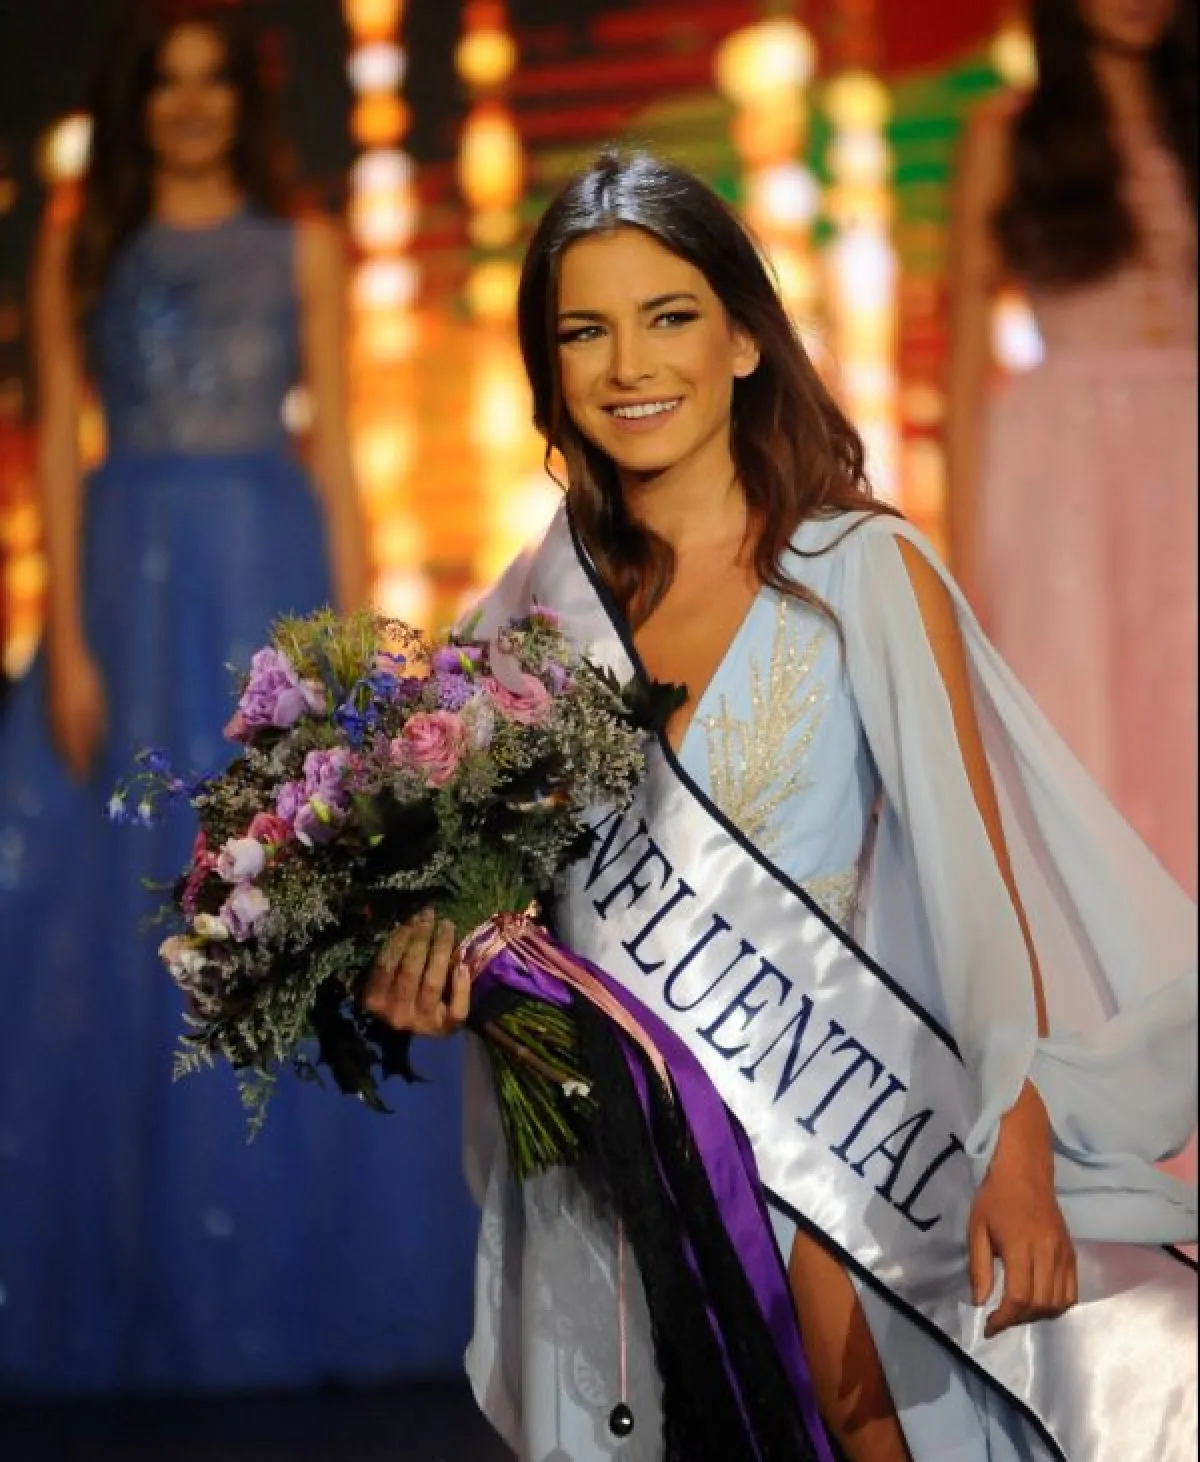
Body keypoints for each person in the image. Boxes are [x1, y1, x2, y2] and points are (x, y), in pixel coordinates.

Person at [364, 150, 1198, 1461]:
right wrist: (431, 956)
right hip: (624, 1174)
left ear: (745, 338)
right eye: (585, 331)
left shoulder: (858, 569)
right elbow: (489, 898)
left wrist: (1016, 1150)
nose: (629, 365)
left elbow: (975, 889)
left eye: (669, 316)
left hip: (840, 1148)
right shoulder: (528, 614)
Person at [0, 0, 476, 1392]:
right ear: (138, 102)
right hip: (124, 590)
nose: (193, 105)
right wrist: (66, 641)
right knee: (116, 910)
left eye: (214, 81)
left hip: (262, 570)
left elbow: (338, 454)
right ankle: (139, 1275)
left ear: (242, 101)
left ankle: (298, 1268)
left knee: (278, 896)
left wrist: (355, 662)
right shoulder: (85, 240)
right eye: (169, 82)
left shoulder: (300, 244)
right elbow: (57, 445)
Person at [944, 0, 1197, 897]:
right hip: (1067, 466)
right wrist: (961, 564)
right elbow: (964, 358)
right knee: (1080, 706)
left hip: (1187, 445)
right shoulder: (1010, 134)